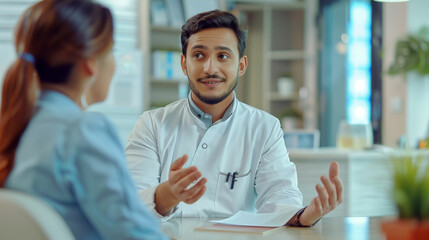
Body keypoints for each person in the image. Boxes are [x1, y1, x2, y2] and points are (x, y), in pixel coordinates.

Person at [125, 10, 343, 226]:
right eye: (199, 55)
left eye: (223, 56)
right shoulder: (152, 125)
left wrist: (303, 216)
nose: (210, 68)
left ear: (241, 66)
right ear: (184, 64)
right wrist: (167, 195)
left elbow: (280, 198)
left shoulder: (264, 128)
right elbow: (130, 203)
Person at [0, 0, 168, 239]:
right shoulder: (82, 130)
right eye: (111, 51)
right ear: (90, 64)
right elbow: (135, 233)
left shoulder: (19, 123)